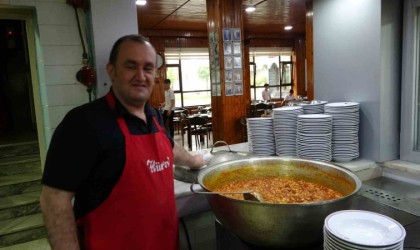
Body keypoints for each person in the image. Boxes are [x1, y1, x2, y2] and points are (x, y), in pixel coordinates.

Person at [39, 34, 207, 250]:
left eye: (148, 68)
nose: (140, 75)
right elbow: (54, 200)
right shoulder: (83, 123)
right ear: (112, 71)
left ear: (155, 74)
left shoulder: (154, 116)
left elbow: (169, 147)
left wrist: (194, 161)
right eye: (130, 66)